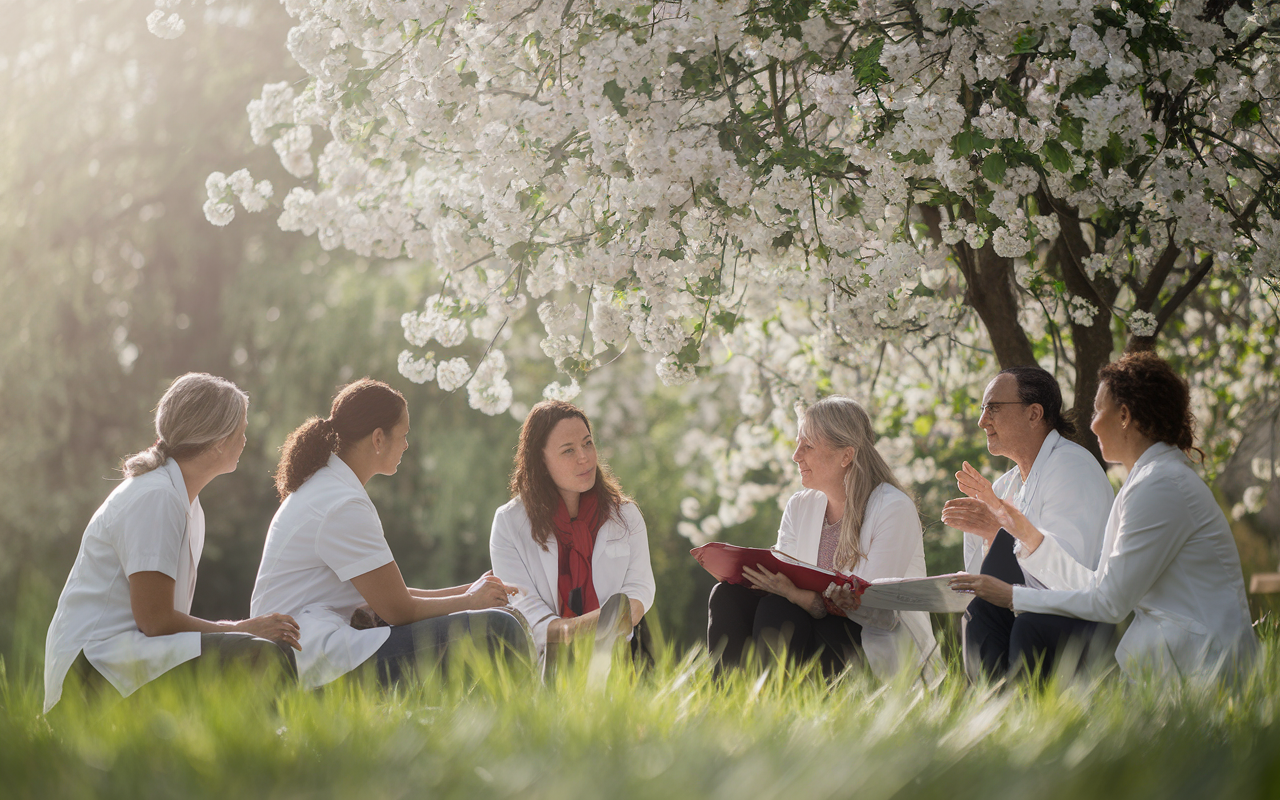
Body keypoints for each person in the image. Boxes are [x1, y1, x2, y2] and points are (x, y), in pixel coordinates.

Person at [950, 352, 1259, 682]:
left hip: (1202, 665)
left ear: (1124, 415)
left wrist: (1012, 594)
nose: (1092, 422)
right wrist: (1026, 536)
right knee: (991, 614)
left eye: (1098, 410)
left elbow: (1109, 602)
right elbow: (1097, 586)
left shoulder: (1161, 484)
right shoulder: (1148, 481)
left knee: (1026, 625)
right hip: (1167, 657)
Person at [44, 373, 300, 713]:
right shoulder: (157, 496)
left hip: (125, 660)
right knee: (258, 653)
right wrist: (237, 628)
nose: (245, 438)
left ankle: (255, 756)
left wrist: (238, 632)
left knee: (267, 648)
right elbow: (156, 620)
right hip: (91, 673)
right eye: (241, 428)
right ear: (219, 439)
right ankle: (273, 759)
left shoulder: (183, 502)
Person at [251, 378, 529, 689]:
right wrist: (470, 601)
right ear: (379, 438)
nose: (407, 445)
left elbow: (393, 595)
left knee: (490, 623)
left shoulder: (330, 488)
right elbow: (398, 610)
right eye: (404, 435)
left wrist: (470, 591)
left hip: (308, 652)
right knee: (496, 628)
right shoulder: (341, 503)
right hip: (303, 662)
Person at [707, 396, 938, 680]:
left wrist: (801, 597)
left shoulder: (893, 507)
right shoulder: (800, 505)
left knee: (778, 608)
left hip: (867, 639)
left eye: (808, 446)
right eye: (797, 444)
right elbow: (784, 576)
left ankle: (771, 708)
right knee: (728, 595)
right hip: (807, 622)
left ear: (845, 455)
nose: (796, 455)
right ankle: (732, 700)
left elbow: (877, 611)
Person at [940, 366, 1114, 681]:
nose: (982, 422)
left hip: (1070, 624)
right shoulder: (1005, 485)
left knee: (1019, 622)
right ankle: (989, 717)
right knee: (977, 612)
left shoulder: (1073, 469)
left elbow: (1071, 577)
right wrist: (989, 534)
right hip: (1017, 612)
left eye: (992, 408)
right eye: (982, 410)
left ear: (1034, 414)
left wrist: (997, 531)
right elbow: (983, 583)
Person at [489, 400, 655, 668]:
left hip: (619, 653)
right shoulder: (509, 523)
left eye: (588, 443)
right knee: (562, 656)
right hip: (547, 659)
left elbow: (639, 594)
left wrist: (598, 632)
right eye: (568, 450)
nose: (584, 457)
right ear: (540, 460)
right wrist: (580, 631)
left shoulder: (626, 516)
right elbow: (528, 616)